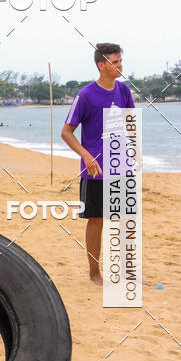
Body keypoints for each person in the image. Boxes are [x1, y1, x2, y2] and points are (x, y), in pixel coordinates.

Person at [61, 42, 135, 285]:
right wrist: (85, 154)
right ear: (101, 65)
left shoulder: (124, 91)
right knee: (97, 220)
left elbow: (130, 125)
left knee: (125, 219)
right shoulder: (85, 95)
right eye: (115, 62)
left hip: (121, 167)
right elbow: (67, 132)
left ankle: (125, 271)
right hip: (95, 170)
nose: (120, 66)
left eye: (121, 61)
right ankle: (95, 273)